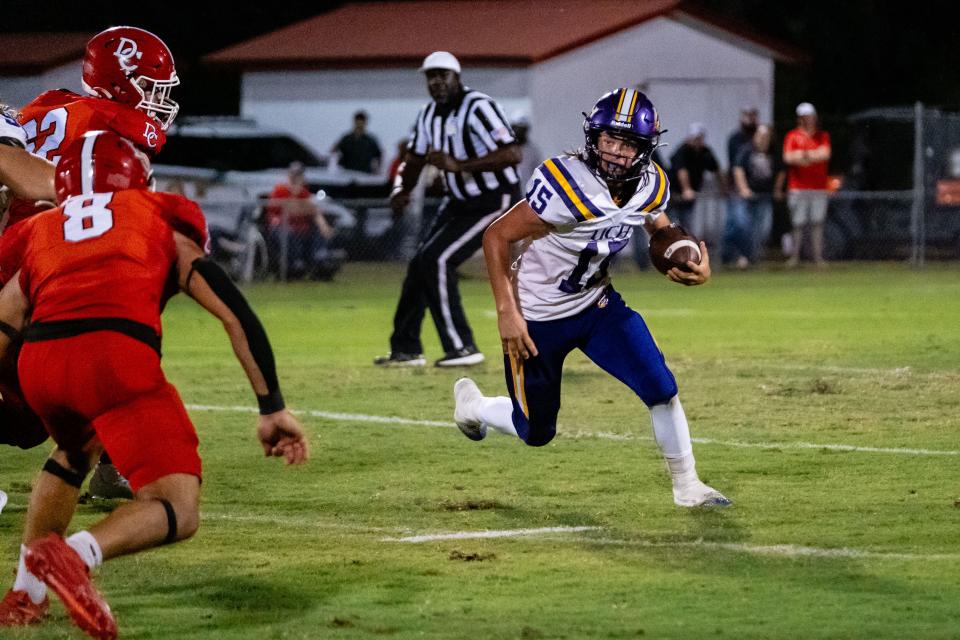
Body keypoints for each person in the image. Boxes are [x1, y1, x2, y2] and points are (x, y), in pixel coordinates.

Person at [0, 131, 308, 636]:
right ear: (135, 178)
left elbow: (6, 320)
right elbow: (233, 311)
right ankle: (72, 556)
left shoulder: (41, 228)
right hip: (115, 356)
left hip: (42, 365)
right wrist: (271, 406)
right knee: (177, 508)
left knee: (76, 449)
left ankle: (23, 596)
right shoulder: (157, 215)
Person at [452, 89, 730, 509]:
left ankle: (688, 486)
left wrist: (685, 255)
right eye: (608, 140)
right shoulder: (565, 182)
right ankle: (474, 405)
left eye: (627, 143)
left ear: (645, 148)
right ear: (593, 137)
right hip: (538, 315)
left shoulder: (652, 182)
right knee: (536, 432)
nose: (616, 152)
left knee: (660, 386)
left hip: (597, 305)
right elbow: (497, 235)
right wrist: (507, 311)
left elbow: (657, 223)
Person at [6, 25, 182, 499]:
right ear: (121, 82)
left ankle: (109, 464)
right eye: (151, 87)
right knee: (112, 344)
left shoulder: (48, 104)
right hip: (47, 264)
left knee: (39, 407)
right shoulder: (115, 125)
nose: (159, 101)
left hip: (23, 251)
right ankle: (109, 465)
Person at [376, 51, 522, 367]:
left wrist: (461, 165)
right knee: (420, 263)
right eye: (431, 76)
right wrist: (402, 188)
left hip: (495, 199)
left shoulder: (479, 107)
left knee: (437, 259)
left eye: (443, 75)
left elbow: (512, 153)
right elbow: (413, 160)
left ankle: (462, 347)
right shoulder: (428, 115)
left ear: (457, 77)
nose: (437, 82)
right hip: (459, 201)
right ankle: (406, 348)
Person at [721, 124, 786, 268]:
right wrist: (744, 189)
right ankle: (736, 256)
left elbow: (781, 170)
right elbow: (738, 169)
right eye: (760, 135)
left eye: (766, 136)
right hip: (745, 197)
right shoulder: (746, 150)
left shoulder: (773, 152)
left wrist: (777, 189)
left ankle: (752, 258)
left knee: (760, 229)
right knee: (741, 225)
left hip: (763, 196)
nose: (763, 139)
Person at [264, 161, 336, 280]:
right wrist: (302, 204)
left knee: (319, 231)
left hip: (301, 229)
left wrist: (323, 226)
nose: (296, 177)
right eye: (294, 174)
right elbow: (291, 209)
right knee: (290, 234)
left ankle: (320, 258)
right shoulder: (280, 190)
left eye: (299, 174)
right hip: (281, 229)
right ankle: (294, 263)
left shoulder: (303, 192)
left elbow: (314, 211)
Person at [782, 102, 831, 267]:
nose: (808, 120)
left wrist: (803, 156)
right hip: (798, 188)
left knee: (817, 223)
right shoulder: (792, 136)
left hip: (818, 187)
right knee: (798, 223)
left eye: (810, 116)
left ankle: (817, 257)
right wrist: (811, 156)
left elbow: (824, 154)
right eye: (804, 117)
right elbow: (788, 158)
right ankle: (795, 257)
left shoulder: (822, 136)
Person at [668, 123, 724, 232]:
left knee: (686, 225)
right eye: (695, 138)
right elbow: (682, 171)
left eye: (700, 138)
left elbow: (717, 170)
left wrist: (723, 187)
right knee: (671, 224)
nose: (697, 141)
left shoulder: (705, 152)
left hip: (689, 197)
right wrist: (686, 189)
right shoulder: (681, 151)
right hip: (674, 194)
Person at [511, 113, 544, 185]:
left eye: (521, 129)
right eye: (516, 128)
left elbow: (539, 174)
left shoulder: (533, 151)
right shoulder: (506, 149)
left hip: (526, 193)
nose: (518, 131)